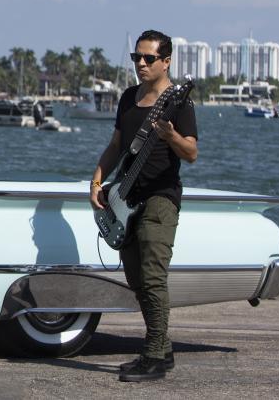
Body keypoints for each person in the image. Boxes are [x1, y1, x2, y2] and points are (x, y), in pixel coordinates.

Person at [90, 30, 198, 383]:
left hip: (160, 197)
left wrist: (171, 136)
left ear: (166, 62)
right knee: (136, 278)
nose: (141, 63)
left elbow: (191, 153)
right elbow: (116, 146)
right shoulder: (127, 97)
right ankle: (162, 349)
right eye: (136, 57)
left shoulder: (179, 103)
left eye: (148, 58)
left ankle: (153, 355)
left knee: (152, 275)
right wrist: (97, 181)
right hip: (125, 198)